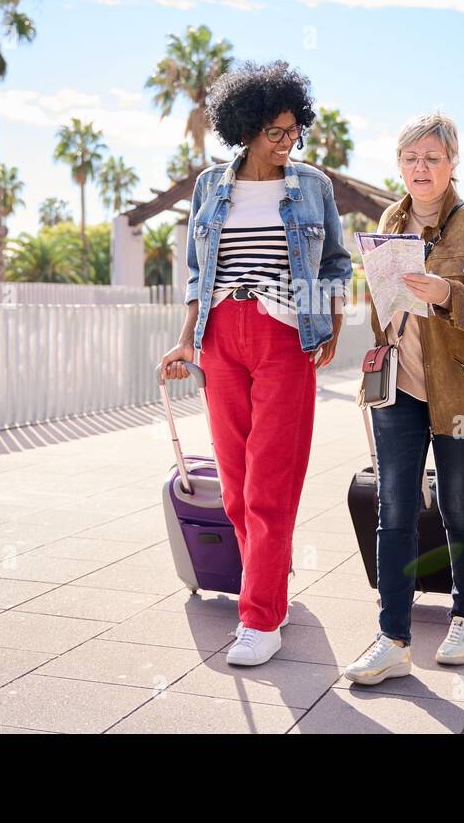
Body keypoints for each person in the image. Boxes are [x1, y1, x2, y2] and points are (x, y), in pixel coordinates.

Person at [158, 60, 353, 668]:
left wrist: (332, 320)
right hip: (220, 337)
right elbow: (197, 271)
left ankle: (260, 618)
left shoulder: (312, 185)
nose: (286, 141)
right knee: (237, 489)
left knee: (270, 483)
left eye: (294, 129)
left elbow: (335, 264)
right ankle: (269, 589)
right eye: (274, 131)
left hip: (282, 334)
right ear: (244, 128)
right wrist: (187, 340)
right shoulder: (210, 187)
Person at [344, 113, 464, 686]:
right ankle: (392, 637)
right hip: (400, 388)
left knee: (458, 507)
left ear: (452, 164)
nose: (421, 168)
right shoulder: (387, 223)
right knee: (393, 511)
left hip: (461, 388)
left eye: (433, 158)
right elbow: (378, 308)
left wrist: (448, 294)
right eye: (411, 158)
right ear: (400, 164)